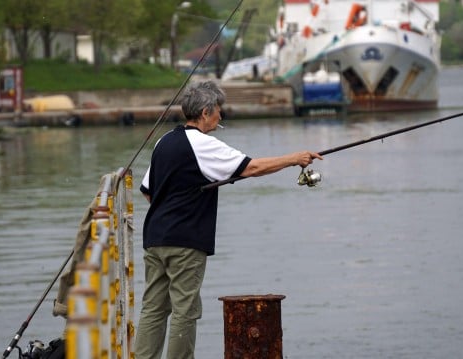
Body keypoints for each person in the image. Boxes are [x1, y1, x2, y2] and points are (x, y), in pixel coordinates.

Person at [134, 80, 322, 359]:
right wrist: (295, 158)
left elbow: (149, 192)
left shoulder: (165, 141)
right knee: (185, 310)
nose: (221, 116)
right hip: (185, 242)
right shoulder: (203, 144)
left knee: (153, 307)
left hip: (154, 238)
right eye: (219, 111)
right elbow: (252, 168)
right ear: (206, 111)